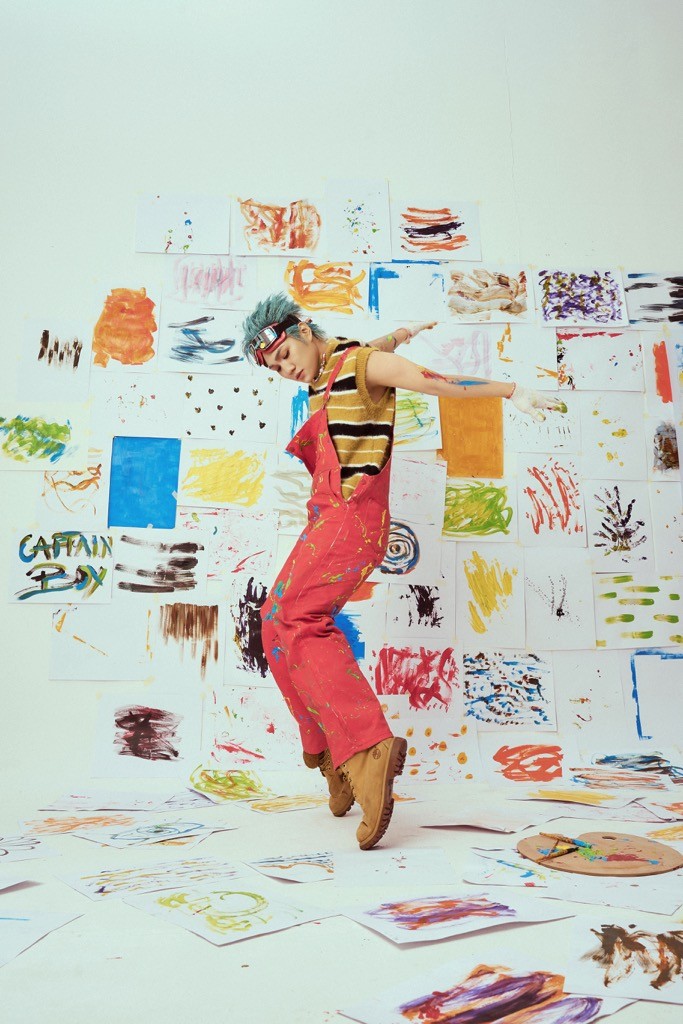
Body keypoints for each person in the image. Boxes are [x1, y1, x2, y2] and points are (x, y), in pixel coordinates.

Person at [241, 293, 564, 850]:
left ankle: (367, 750)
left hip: (352, 520)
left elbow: (436, 382)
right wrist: (401, 332)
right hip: (327, 518)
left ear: (302, 330)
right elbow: (367, 351)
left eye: (284, 355)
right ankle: (328, 753)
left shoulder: (363, 365)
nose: (286, 370)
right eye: (274, 369)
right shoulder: (334, 366)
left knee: (298, 619)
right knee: (272, 620)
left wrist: (512, 391)